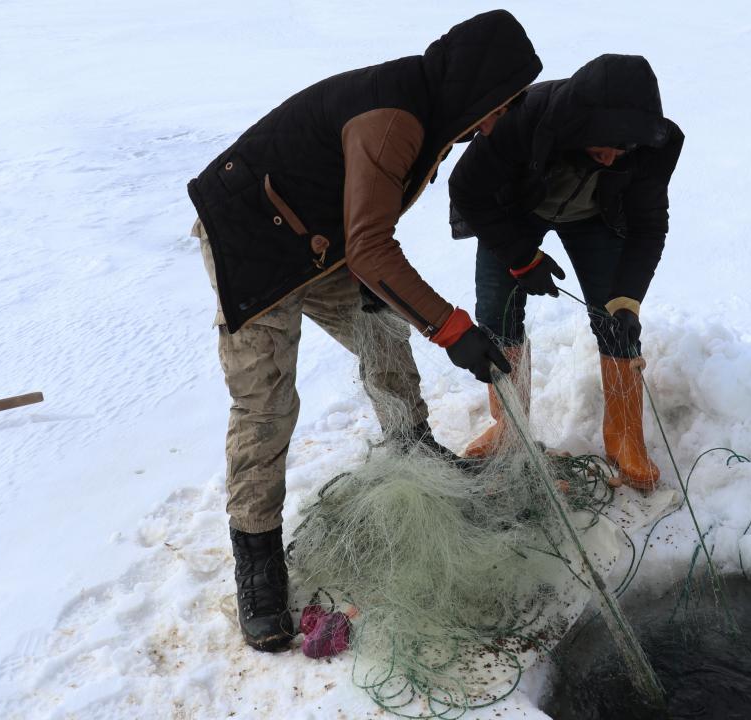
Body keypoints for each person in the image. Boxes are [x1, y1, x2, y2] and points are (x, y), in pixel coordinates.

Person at [186, 10, 541, 653]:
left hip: (319, 241)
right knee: (266, 403)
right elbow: (374, 249)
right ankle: (258, 555)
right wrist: (454, 328)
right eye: (502, 104)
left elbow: (365, 238)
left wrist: (426, 317)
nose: (499, 121)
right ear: (478, 89)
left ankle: (410, 444)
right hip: (250, 241)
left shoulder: (428, 114)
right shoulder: (395, 120)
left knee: (384, 334)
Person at [448, 54, 684, 492]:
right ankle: (509, 430)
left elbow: (649, 227)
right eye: (607, 143)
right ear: (582, 123)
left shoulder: (649, 148)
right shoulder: (525, 117)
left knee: (616, 320)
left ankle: (626, 438)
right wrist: (521, 256)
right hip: (514, 210)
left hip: (596, 217)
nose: (614, 157)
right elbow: (467, 188)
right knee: (497, 312)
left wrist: (628, 298)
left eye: (625, 148)